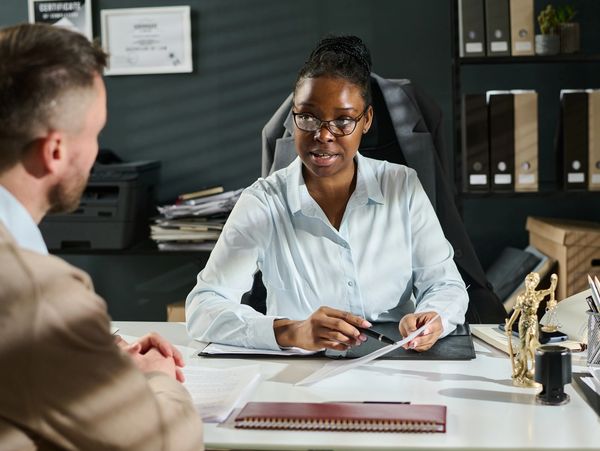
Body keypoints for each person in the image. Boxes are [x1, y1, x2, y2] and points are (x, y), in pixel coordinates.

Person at [186, 35, 468, 353]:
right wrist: (291, 331)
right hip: (299, 375)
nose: (323, 135)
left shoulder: (401, 185)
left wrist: (433, 317)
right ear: (293, 116)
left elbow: (445, 284)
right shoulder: (264, 202)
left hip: (394, 366)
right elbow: (203, 308)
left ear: (366, 121)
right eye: (307, 117)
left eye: (344, 120)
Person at [0, 24, 203, 450]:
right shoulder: (34, 288)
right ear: (55, 151)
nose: (97, 151)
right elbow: (161, 441)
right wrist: (156, 380)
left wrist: (100, 347)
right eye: (95, 134)